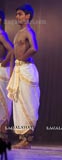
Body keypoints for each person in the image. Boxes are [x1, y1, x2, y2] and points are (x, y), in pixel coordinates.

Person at [7, 4, 40, 149]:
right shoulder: (17, 33)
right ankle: (23, 139)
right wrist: (13, 71)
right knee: (18, 104)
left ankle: (27, 139)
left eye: (20, 14)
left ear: (28, 16)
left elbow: (34, 48)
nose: (17, 17)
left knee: (28, 104)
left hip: (27, 70)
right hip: (19, 71)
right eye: (17, 14)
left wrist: (23, 58)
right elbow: (14, 54)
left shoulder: (28, 31)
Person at [0, 10, 14, 144]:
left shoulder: (1, 34)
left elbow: (12, 50)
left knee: (3, 104)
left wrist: (3, 63)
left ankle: (3, 136)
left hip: (1, 71)